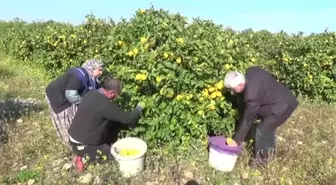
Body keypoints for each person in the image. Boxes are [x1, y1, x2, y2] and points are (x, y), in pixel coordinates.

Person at [223, 66, 299, 166]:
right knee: (268, 127)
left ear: (240, 84)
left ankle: (262, 160)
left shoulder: (252, 96)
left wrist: (236, 141)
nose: (233, 92)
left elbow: (247, 120)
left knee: (262, 129)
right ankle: (271, 154)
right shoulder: (252, 71)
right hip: (284, 97)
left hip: (282, 106)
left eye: (233, 89)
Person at [67, 77, 145, 172]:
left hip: (73, 136)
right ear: (111, 93)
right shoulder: (105, 105)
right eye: (117, 94)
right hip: (83, 144)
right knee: (114, 158)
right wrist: (139, 108)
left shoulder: (91, 93)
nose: (116, 97)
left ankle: (82, 152)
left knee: (113, 123)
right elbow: (127, 118)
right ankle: (81, 156)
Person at [45, 59, 104, 148]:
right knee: (66, 121)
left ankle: (77, 143)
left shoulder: (90, 76)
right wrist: (86, 104)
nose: (101, 73)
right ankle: (71, 145)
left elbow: (95, 91)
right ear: (92, 68)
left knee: (75, 117)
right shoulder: (79, 76)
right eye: (99, 70)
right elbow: (71, 96)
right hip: (58, 96)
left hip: (69, 95)